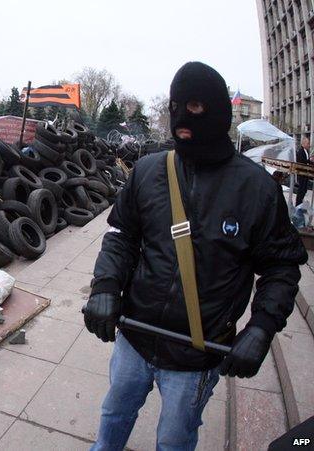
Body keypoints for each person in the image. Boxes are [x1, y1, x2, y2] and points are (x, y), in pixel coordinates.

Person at [84, 61, 307, 451]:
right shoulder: (149, 171)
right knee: (113, 419)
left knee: (174, 442)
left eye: (195, 107)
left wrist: (261, 328)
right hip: (134, 338)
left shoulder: (255, 189)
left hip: (196, 356)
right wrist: (105, 286)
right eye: (174, 107)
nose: (182, 117)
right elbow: (122, 237)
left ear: (219, 111)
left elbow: (281, 268)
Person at [295, 136, 312, 206]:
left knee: (304, 190)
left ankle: (300, 204)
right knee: (301, 191)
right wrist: (309, 161)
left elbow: (307, 161)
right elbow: (302, 161)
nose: (309, 145)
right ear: (303, 144)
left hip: (306, 174)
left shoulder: (306, 151)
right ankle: (298, 204)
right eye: (308, 143)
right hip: (302, 174)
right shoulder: (300, 152)